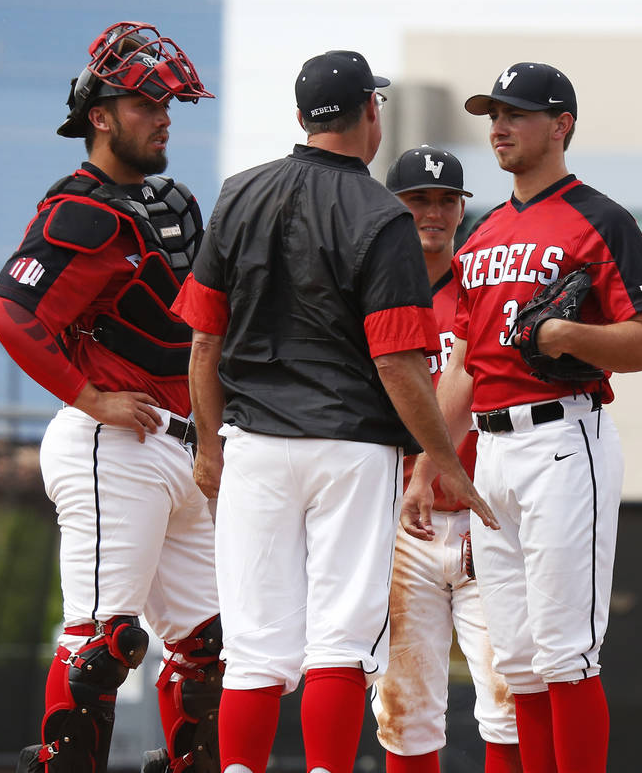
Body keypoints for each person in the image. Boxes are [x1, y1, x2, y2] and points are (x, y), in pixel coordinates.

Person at [171, 51, 493, 773]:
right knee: (340, 643)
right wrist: (441, 459)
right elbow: (397, 361)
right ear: (370, 114)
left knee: (254, 646)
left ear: (300, 118)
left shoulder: (238, 193)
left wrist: (208, 448)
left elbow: (203, 339)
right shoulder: (383, 215)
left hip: (251, 441)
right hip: (349, 448)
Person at [403, 62, 642, 773]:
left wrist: (570, 337)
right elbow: (466, 368)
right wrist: (431, 463)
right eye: (494, 114)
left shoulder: (601, 218)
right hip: (491, 450)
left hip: (563, 438)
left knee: (565, 652)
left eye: (516, 114)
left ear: (562, 126)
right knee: (515, 660)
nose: (499, 127)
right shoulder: (482, 235)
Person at [0, 21, 221, 773]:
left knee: (207, 651)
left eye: (169, 107)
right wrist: (90, 397)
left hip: (182, 448)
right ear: (100, 115)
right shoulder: (81, 208)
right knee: (103, 643)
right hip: (113, 441)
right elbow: (11, 310)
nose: (163, 119)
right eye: (146, 105)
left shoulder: (171, 201)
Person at [371, 145, 521, 773]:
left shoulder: (481, 285)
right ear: (394, 207)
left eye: (445, 200)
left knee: (512, 698)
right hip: (400, 520)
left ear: (462, 208)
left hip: (483, 513)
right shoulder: (371, 288)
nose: (433, 211)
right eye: (417, 200)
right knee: (404, 709)